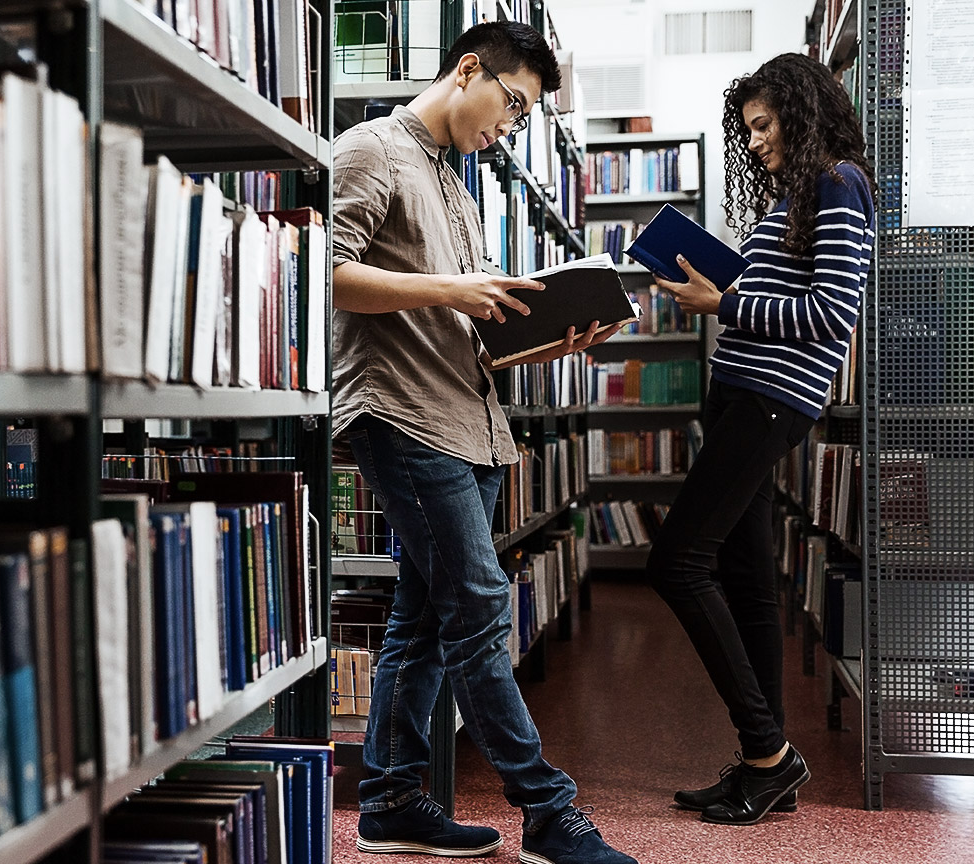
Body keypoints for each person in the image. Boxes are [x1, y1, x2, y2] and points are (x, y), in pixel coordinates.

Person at [332, 21, 634, 864]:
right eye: (513, 103)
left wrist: (551, 336)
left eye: (525, 116)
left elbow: (464, 321)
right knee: (475, 610)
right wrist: (452, 288)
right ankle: (547, 809)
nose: (510, 125)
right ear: (469, 71)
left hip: (473, 420)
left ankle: (390, 801)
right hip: (402, 414)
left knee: (422, 621)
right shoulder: (370, 150)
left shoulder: (460, 187)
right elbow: (327, 273)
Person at [649, 52, 877, 826]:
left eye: (763, 125)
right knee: (745, 575)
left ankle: (771, 752)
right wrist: (719, 285)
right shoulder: (797, 197)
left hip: (772, 400)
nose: (754, 143)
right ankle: (762, 763)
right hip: (740, 393)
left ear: (800, 111)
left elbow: (828, 318)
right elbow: (769, 293)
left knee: (676, 560)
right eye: (746, 130)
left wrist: (727, 303)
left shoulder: (841, 184)